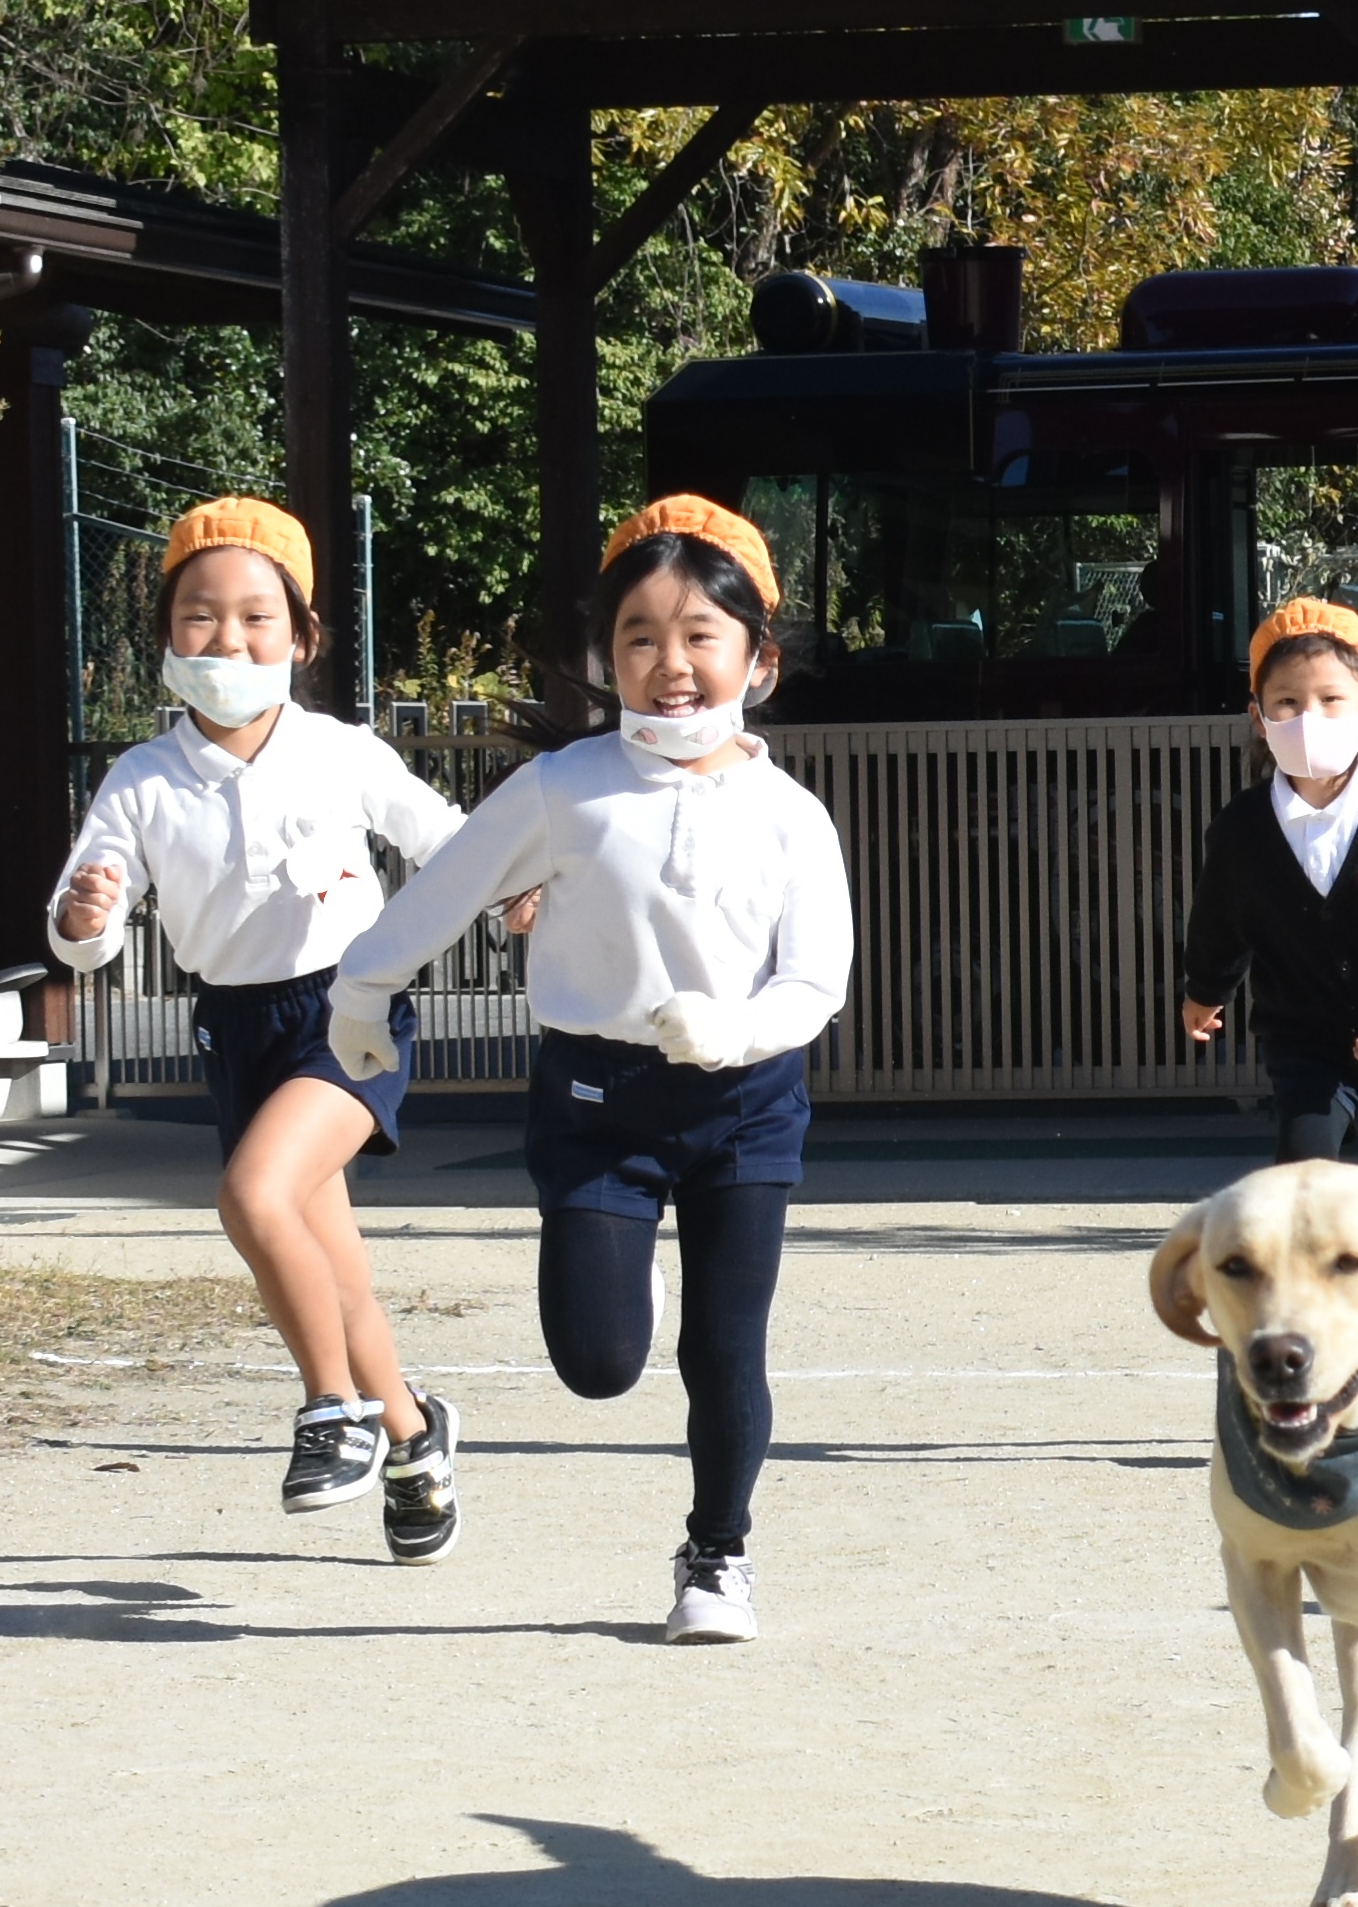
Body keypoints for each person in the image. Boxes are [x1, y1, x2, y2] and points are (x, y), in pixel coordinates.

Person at [333, 498, 854, 1647]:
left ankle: (718, 1555)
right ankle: (626, 1263)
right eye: (639, 637)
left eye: (700, 635)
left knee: (725, 1349)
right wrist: (361, 989)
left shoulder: (792, 818)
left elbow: (817, 982)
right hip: (594, 1098)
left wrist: (737, 1032)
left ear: (758, 660)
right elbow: (442, 888)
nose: (670, 664)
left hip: (744, 1101)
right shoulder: (563, 787)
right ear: (604, 654)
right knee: (600, 1362)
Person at [46, 498, 488, 1551]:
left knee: (251, 1194)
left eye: (256, 618)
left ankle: (333, 1409)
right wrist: (85, 917)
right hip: (234, 1028)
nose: (229, 640)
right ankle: (418, 1434)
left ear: (304, 636)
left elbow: (449, 839)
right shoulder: (142, 779)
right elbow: (81, 924)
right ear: (165, 632)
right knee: (332, 1265)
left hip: (348, 1010)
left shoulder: (340, 751)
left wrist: (517, 891)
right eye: (200, 616)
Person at [1173, 596, 1358, 1229]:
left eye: (1331, 699)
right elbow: (1219, 917)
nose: (1308, 716)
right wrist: (1206, 988)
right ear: (1258, 717)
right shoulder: (1241, 828)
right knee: (1299, 1180)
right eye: (1287, 702)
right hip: (1304, 1036)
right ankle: (1301, 1314)